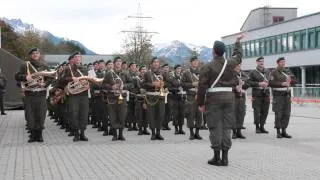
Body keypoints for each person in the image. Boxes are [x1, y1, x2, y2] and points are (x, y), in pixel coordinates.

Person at [197, 34, 244, 166]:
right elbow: (238, 56)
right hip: (229, 99)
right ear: (224, 52)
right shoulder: (231, 63)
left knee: (215, 127)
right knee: (226, 127)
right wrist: (237, 42)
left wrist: (200, 103)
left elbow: (202, 87)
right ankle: (225, 158)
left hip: (214, 100)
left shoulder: (207, 67)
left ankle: (217, 158)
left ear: (213, 51)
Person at [15, 48, 53, 142]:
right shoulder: (25, 65)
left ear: (39, 55)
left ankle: (39, 135)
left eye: (37, 53)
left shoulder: (44, 65)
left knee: (41, 115)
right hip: (29, 94)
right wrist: (25, 77)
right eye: (33, 53)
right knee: (30, 115)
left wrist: (45, 84)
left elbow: (51, 77)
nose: (35, 54)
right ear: (30, 55)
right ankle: (32, 135)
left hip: (41, 94)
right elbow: (17, 76)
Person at [59, 52, 90, 142]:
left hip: (84, 94)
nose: (77, 58)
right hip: (74, 95)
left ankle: (83, 133)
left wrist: (89, 85)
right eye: (76, 57)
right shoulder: (68, 69)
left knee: (84, 114)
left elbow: (91, 80)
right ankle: (76, 133)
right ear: (73, 59)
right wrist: (70, 79)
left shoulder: (85, 68)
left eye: (79, 57)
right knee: (74, 114)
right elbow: (61, 80)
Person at [101, 57, 133, 141]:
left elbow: (131, 84)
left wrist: (124, 86)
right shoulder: (109, 74)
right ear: (114, 63)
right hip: (112, 98)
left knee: (122, 115)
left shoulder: (125, 73)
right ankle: (114, 134)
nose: (118, 63)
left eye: (120, 61)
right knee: (113, 116)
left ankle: (121, 134)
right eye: (117, 62)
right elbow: (103, 85)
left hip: (122, 97)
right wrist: (111, 86)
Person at [269, 57, 296, 138]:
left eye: (284, 62)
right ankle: (278, 131)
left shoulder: (287, 71)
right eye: (281, 62)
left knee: (287, 114)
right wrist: (282, 83)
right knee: (278, 114)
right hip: (278, 95)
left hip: (287, 95)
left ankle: (284, 131)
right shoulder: (274, 72)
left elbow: (294, 81)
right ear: (278, 63)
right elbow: (271, 83)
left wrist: (290, 81)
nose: (283, 63)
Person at [143, 57, 166, 140]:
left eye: (157, 62)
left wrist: (163, 84)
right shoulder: (147, 74)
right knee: (151, 115)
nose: (156, 63)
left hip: (160, 96)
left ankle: (158, 133)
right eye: (154, 62)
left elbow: (168, 84)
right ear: (151, 64)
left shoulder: (163, 73)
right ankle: (153, 133)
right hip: (151, 97)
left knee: (160, 114)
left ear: (159, 64)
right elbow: (143, 84)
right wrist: (153, 85)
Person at [181, 56, 202, 140]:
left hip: (200, 95)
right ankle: (191, 133)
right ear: (191, 62)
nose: (195, 62)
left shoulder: (201, 72)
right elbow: (182, 84)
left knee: (199, 114)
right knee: (191, 114)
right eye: (194, 61)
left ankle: (197, 132)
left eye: (197, 61)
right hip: (190, 95)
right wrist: (192, 84)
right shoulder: (186, 73)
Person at [248, 57, 270, 134]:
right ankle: (257, 127)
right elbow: (249, 83)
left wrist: (268, 83)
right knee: (257, 111)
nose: (262, 63)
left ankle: (262, 126)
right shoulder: (253, 72)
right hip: (257, 94)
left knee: (265, 111)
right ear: (257, 62)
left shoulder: (267, 71)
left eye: (263, 61)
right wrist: (259, 83)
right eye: (260, 61)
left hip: (266, 94)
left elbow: (270, 81)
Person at [232, 64, 250, 139]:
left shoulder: (243, 74)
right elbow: (227, 84)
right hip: (233, 95)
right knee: (234, 113)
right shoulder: (230, 75)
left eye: (239, 66)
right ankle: (234, 132)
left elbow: (249, 83)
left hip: (242, 95)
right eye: (236, 66)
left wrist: (244, 84)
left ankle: (239, 131)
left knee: (241, 113)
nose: (238, 67)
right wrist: (235, 87)